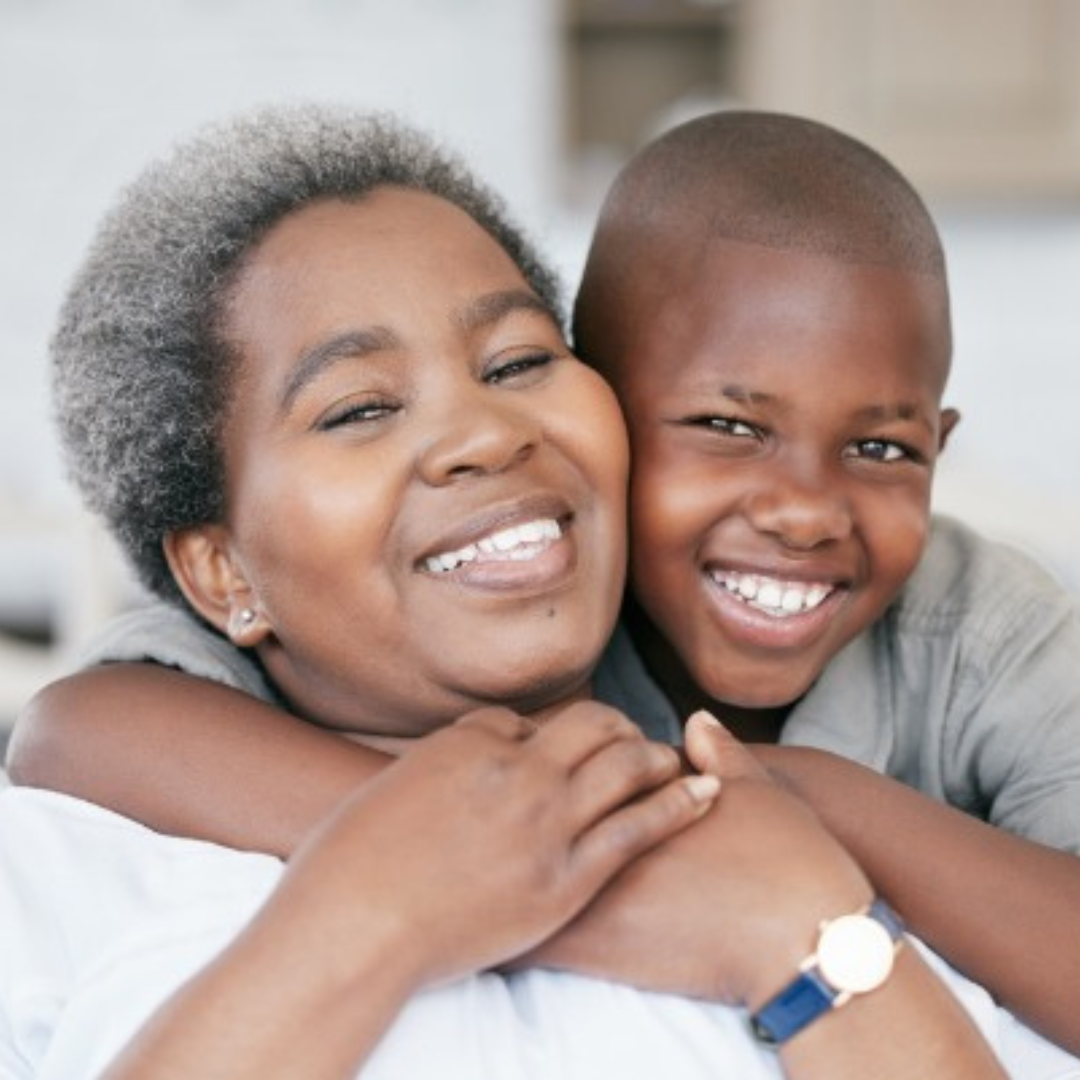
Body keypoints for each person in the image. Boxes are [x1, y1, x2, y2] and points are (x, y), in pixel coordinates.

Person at [16, 109, 1080, 1054]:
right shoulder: (384, 641)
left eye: (519, 365)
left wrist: (806, 804)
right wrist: (533, 869)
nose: (484, 436)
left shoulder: (952, 624)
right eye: (358, 408)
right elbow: (77, 729)